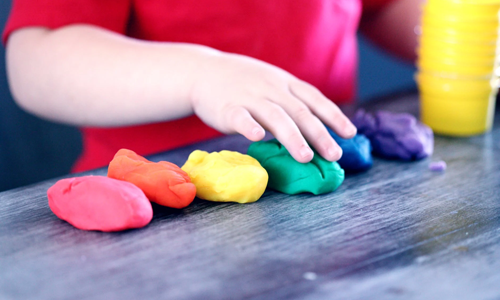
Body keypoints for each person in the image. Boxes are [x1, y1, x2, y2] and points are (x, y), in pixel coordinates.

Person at [2, 0, 422, 172]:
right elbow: (36, 62)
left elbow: (384, 8)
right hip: (154, 213)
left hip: (330, 189)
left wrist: (463, 33)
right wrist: (199, 76)